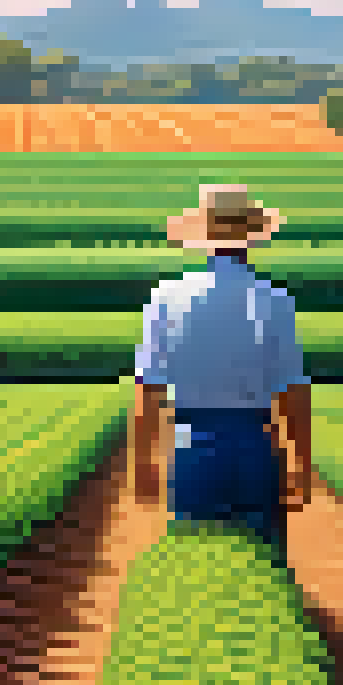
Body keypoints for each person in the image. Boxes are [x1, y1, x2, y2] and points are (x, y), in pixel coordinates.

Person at [129, 183, 312, 560]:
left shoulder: (166, 297)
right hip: (256, 444)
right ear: (253, 236)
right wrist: (301, 463)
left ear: (205, 237)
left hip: (189, 442)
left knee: (196, 563)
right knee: (262, 559)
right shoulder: (275, 300)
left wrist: (142, 461)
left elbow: (148, 388)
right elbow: (292, 390)